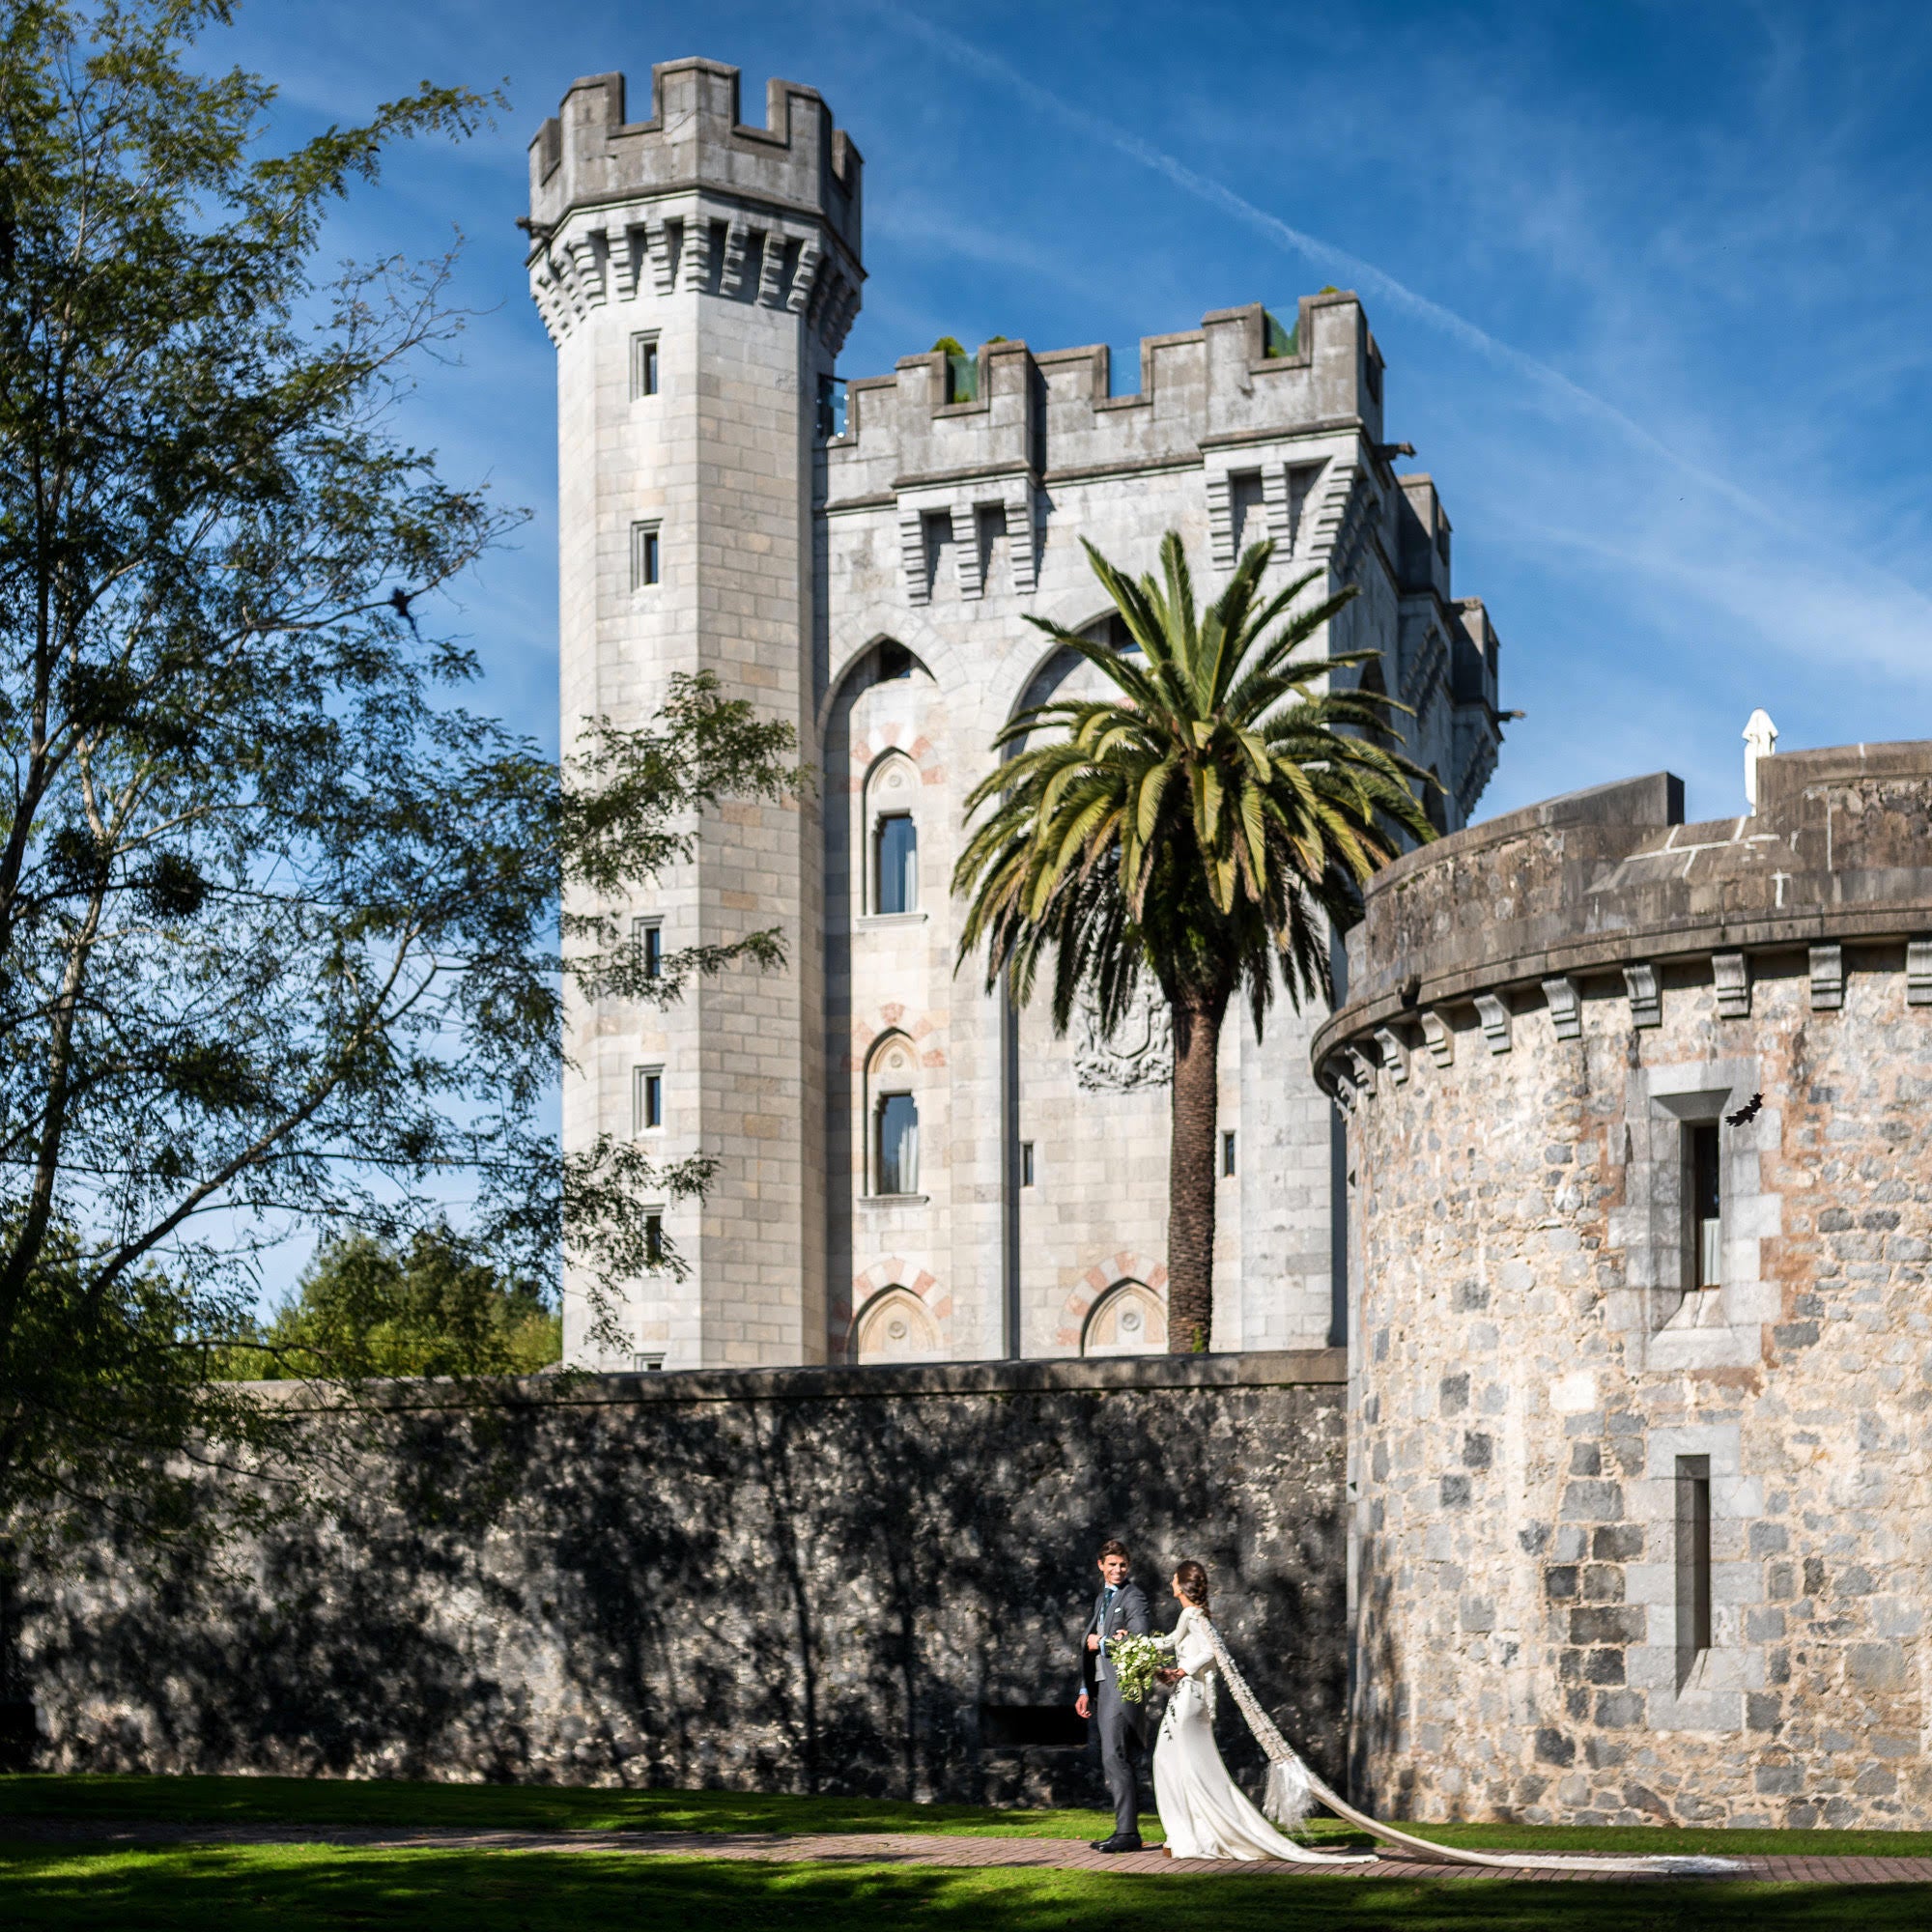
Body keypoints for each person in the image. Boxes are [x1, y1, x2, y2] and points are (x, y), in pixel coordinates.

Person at [1151, 1560, 1374, 1863]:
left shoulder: (1191, 1614)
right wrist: (1133, 1648)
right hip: (1189, 1696)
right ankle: (1184, 1833)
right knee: (1182, 1763)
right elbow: (1169, 1642)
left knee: (1174, 1761)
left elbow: (1207, 1652)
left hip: (1188, 1696)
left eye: (1174, 1579)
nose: (1171, 1582)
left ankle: (1187, 1835)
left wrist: (1180, 1670)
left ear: (1182, 1584)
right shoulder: (1192, 1615)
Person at [1074, 1536, 1151, 1853]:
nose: (1118, 1570)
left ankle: (1127, 1833)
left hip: (1122, 1687)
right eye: (1112, 1565)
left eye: (1123, 1565)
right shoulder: (1101, 1598)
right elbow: (1088, 1645)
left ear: (1128, 1566)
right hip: (1103, 1686)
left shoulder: (1134, 1597)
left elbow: (1142, 1639)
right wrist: (1084, 1688)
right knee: (1115, 1758)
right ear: (1101, 1566)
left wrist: (1104, 1643)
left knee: (1115, 1756)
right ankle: (1125, 1829)